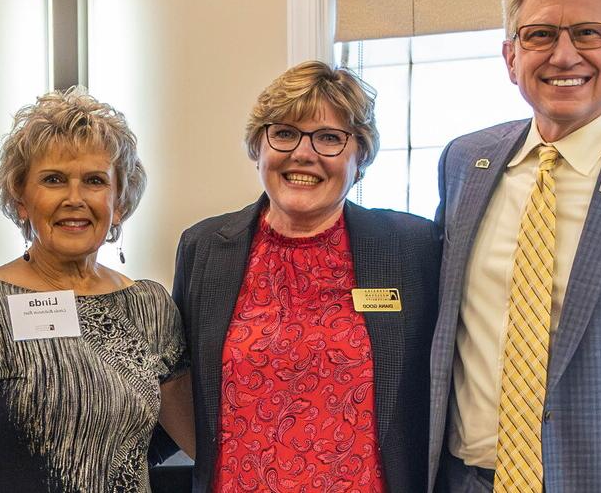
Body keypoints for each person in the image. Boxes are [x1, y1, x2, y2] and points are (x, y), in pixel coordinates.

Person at [172, 61, 441, 492]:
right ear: (258, 146)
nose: (303, 153)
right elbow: (179, 383)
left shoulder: (413, 248)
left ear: (362, 156)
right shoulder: (204, 248)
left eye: (330, 138)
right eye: (284, 133)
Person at [428, 0, 601, 492]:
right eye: (540, 35)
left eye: (589, 33)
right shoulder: (464, 161)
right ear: (511, 55)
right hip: (464, 481)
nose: (563, 54)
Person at [0, 88, 194, 492]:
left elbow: (198, 440)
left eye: (94, 181)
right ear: (21, 198)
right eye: (53, 180)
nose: (75, 199)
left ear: (119, 201)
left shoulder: (151, 307)